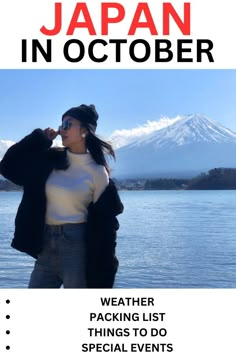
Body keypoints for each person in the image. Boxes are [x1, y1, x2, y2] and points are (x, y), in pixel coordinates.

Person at [0, 104, 123, 288]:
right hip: (45, 245)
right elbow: (8, 167)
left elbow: (105, 224)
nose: (60, 129)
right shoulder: (50, 159)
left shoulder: (97, 171)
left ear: (84, 131)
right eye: (61, 124)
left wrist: (105, 267)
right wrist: (38, 140)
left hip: (77, 248)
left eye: (67, 124)